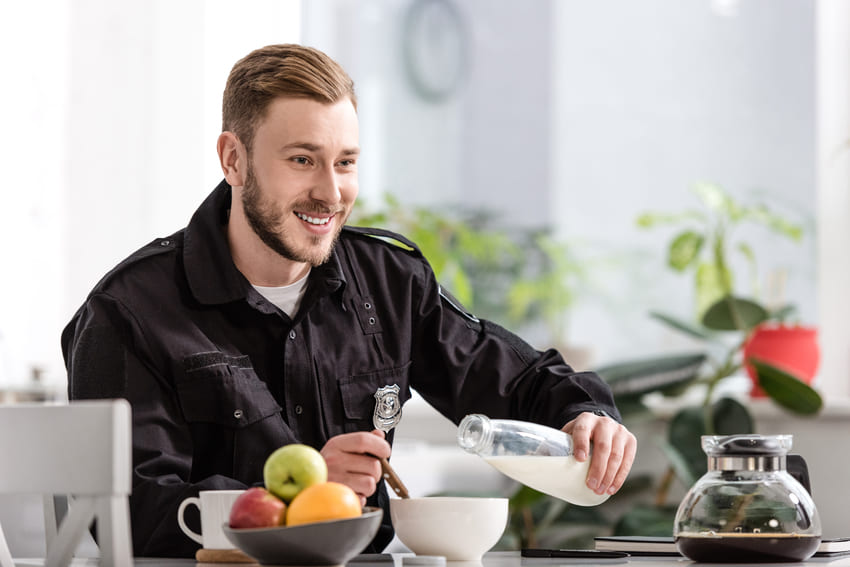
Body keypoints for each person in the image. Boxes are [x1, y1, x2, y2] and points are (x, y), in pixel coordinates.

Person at [61, 43, 637, 557]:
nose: (331, 193)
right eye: (302, 160)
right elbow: (131, 514)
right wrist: (299, 492)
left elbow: (518, 382)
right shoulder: (130, 310)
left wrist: (586, 415)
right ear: (232, 159)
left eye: (346, 162)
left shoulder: (389, 281)